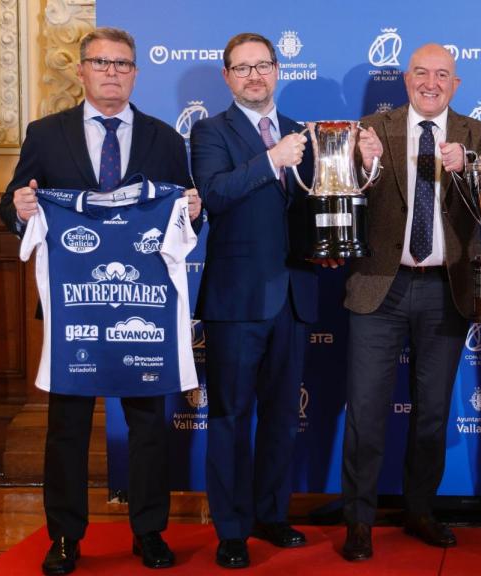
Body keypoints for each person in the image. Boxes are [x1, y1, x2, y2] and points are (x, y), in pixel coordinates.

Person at [0, 26, 202, 575]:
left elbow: (185, 219)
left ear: (135, 73)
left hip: (142, 308)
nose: (112, 71)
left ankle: (150, 532)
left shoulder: (165, 138)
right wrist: (15, 206)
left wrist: (194, 208)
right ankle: (64, 536)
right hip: (76, 311)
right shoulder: (46, 134)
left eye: (122, 63)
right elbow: (15, 200)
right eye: (101, 62)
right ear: (82, 70)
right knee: (65, 427)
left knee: (148, 425)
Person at [189, 32, 378, 569]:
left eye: (263, 65)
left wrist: (356, 179)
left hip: (295, 294)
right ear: (227, 77)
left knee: (280, 418)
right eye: (242, 68)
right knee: (229, 416)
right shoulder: (209, 132)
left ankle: (271, 515)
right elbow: (216, 197)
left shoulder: (303, 132)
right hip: (236, 300)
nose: (254, 75)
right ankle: (230, 529)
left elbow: (320, 204)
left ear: (278, 70)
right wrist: (271, 158)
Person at [339, 43, 481, 562]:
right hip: (379, 286)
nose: (431, 82)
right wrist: (361, 165)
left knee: (431, 413)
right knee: (365, 411)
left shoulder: (478, 136)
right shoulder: (371, 129)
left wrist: (468, 167)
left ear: (456, 84)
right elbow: (344, 196)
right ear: (406, 80)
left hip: (445, 289)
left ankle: (420, 510)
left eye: (442, 75)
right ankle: (358, 521)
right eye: (421, 73)